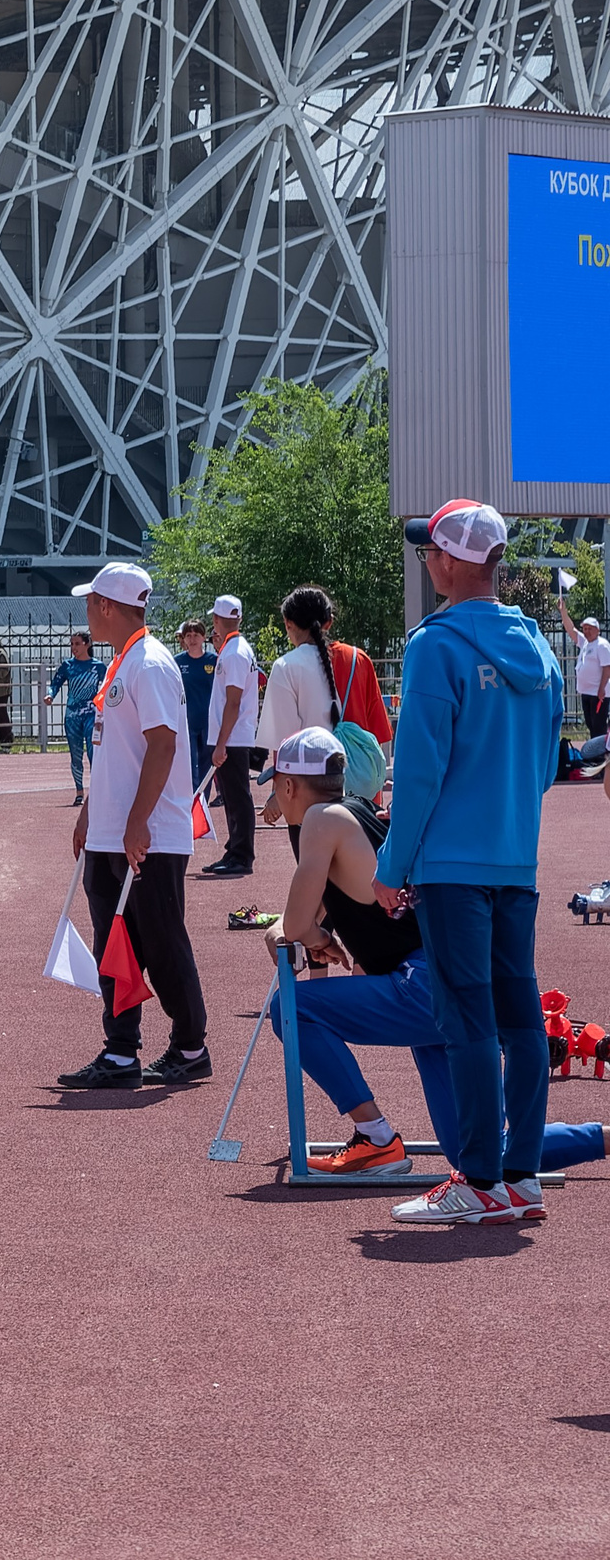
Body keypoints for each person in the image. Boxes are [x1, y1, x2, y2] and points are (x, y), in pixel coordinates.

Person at [258, 727, 587, 1195]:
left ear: (289, 785)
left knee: (292, 1010)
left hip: (421, 985)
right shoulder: (360, 815)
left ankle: (375, 1139)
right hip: (444, 977)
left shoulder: (318, 822)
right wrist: (307, 932)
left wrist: (313, 938)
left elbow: (296, 924)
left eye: (275, 784)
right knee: (478, 1150)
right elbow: (307, 917)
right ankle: (602, 1138)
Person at [373, 499, 563, 1224]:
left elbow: (418, 772)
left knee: (468, 1020)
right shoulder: (541, 649)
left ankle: (480, 1179)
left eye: (431, 550)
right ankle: (520, 1175)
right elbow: (545, 766)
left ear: (452, 562)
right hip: (517, 858)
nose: (426, 560)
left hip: (452, 862)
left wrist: (393, 865)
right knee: (520, 1016)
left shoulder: (436, 645)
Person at [54, 561, 210, 1090]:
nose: (86, 612)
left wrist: (137, 821)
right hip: (113, 834)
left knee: (162, 944)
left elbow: (163, 744)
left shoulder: (150, 663)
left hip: (148, 838)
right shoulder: (125, 662)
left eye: (90, 602)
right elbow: (118, 752)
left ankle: (190, 1045)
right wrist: (90, 813)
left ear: (105, 606)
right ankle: (121, 1050)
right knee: (114, 945)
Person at [203, 595, 262, 876]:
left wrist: (222, 742)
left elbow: (234, 701)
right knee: (233, 795)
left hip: (233, 738)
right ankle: (235, 850)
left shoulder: (234, 652)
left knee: (237, 796)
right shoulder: (234, 649)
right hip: (233, 736)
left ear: (217, 620)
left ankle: (241, 854)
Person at [46, 631, 104, 807]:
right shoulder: (67, 665)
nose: (74, 648)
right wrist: (50, 695)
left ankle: (97, 791)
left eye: (77, 644)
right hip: (72, 716)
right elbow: (55, 683)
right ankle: (79, 791)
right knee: (75, 754)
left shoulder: (98, 666)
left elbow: (106, 688)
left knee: (94, 752)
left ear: (87, 644)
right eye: (71, 644)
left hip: (91, 715)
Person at [175, 619, 216, 791]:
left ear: (204, 637)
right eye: (188, 635)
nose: (192, 639)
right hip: (187, 721)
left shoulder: (213, 660)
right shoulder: (177, 662)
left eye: (196, 635)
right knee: (190, 766)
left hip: (208, 721)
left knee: (207, 767)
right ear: (183, 639)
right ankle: (190, 805)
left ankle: (203, 804)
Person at [560, 598, 609, 739]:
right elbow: (571, 629)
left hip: (598, 693)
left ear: (597, 630)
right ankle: (595, 755)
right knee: (590, 724)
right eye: (585, 629)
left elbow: (607, 668)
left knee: (598, 726)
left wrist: (601, 689)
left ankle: (600, 755)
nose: (586, 631)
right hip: (586, 692)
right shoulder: (585, 643)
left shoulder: (602, 645)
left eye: (589, 629)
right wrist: (563, 612)